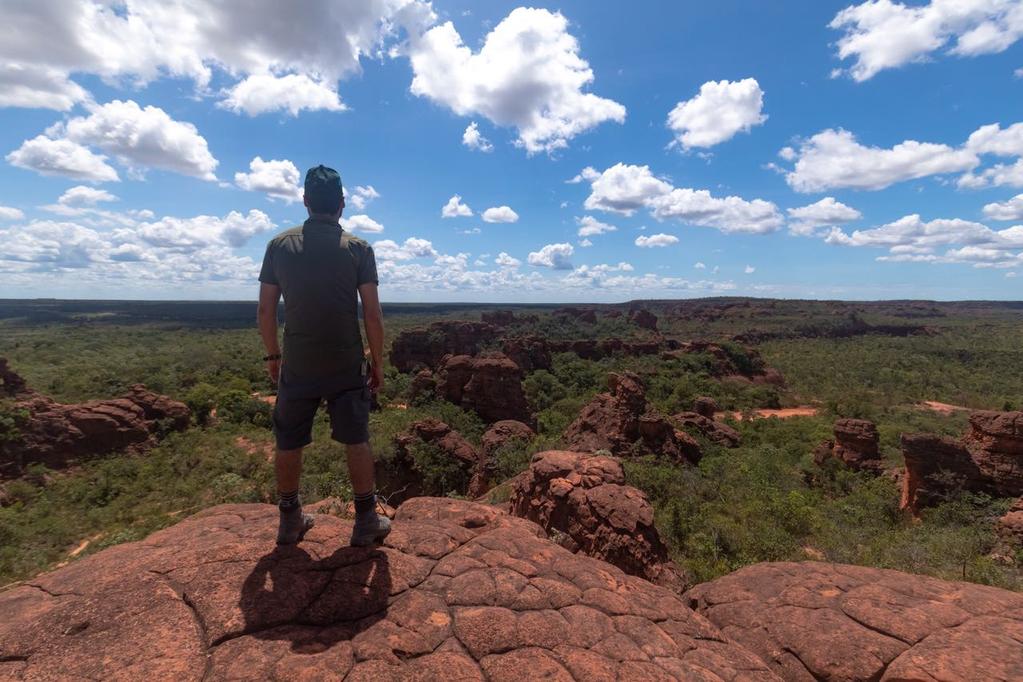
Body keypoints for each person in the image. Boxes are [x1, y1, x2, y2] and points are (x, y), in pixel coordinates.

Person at [256, 164, 390, 547]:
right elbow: (373, 314)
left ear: (306, 201)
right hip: (346, 361)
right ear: (342, 204)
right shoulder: (359, 249)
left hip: (297, 360)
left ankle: (289, 519)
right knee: (356, 437)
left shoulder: (279, 246)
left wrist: (272, 356)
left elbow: (266, 311)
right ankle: (366, 519)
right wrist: (377, 362)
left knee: (289, 439)